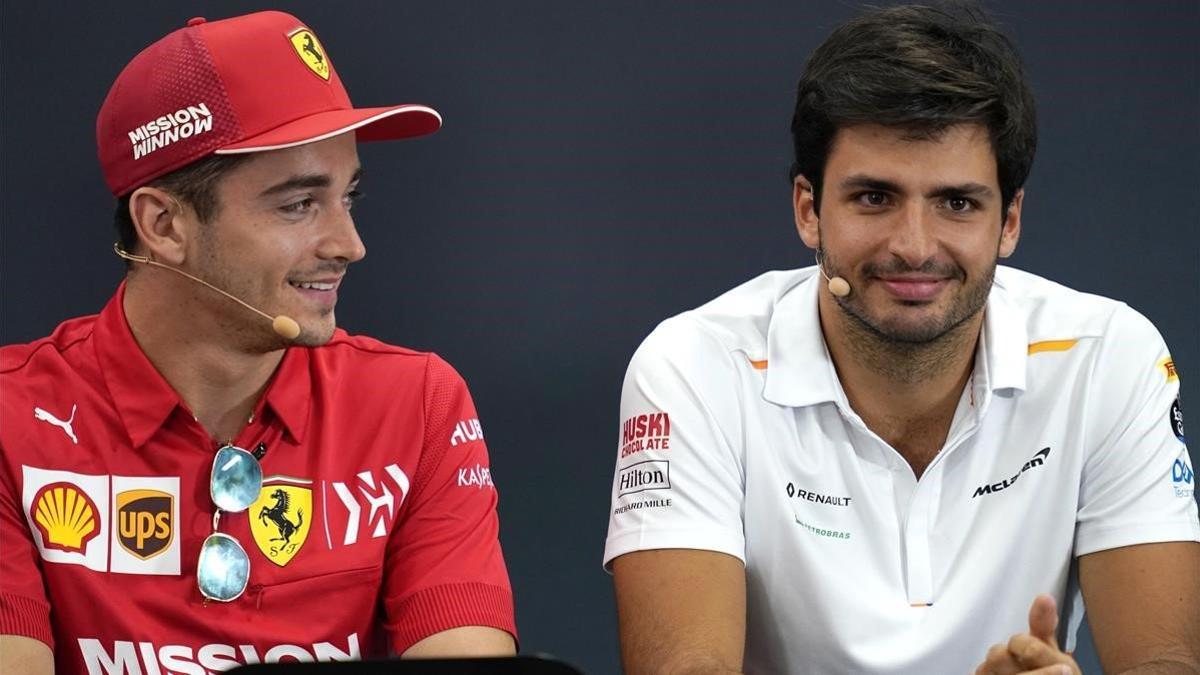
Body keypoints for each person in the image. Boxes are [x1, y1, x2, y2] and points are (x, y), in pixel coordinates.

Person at [603, 3, 1200, 674]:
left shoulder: (1109, 359)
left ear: (1010, 221)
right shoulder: (692, 367)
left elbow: (1165, 662)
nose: (914, 246)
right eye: (874, 198)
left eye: (957, 202)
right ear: (809, 210)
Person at [0, 11, 516, 674]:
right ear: (163, 224)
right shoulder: (14, 420)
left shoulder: (417, 403)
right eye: (299, 203)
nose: (348, 245)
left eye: (348, 196)